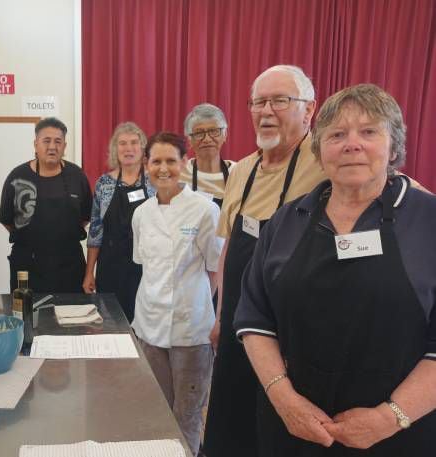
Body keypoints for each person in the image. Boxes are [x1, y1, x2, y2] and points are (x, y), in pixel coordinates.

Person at [234, 83, 436, 456]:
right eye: (337, 134)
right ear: (320, 149)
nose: (352, 144)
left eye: (369, 131)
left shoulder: (428, 221)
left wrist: (390, 418)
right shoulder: (287, 220)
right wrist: (283, 399)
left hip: (401, 434)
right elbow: (255, 318)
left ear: (393, 146)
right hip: (294, 430)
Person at [203, 65, 327, 456]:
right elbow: (228, 252)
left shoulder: (327, 161)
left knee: (278, 428)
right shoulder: (241, 170)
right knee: (231, 423)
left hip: (295, 332)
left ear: (310, 110)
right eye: (258, 102)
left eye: (280, 100)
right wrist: (222, 316)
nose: (266, 110)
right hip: (239, 323)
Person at [131, 132, 223, 457]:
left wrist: (204, 311)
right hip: (149, 327)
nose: (164, 168)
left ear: (185, 163)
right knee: (155, 411)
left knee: (186, 415)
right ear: (146, 165)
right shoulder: (141, 213)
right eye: (156, 161)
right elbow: (145, 266)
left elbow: (217, 269)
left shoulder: (205, 210)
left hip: (191, 330)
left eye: (171, 160)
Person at [0, 117, 93, 292]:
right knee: (28, 317)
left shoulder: (77, 176)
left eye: (58, 141)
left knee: (73, 317)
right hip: (28, 265)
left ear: (64, 146)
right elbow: (7, 220)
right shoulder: (18, 177)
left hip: (69, 266)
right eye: (46, 141)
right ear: (35, 144)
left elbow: (85, 217)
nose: (52, 146)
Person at [82, 122, 154, 322]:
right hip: (111, 266)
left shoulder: (155, 181)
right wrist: (89, 273)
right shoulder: (104, 184)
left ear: (143, 148)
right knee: (111, 322)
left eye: (133, 143)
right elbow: (95, 232)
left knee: (144, 324)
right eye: (122, 143)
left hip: (147, 267)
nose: (128, 148)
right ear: (115, 149)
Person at [180, 103, 235, 207]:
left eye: (214, 131)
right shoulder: (179, 173)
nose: (207, 139)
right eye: (199, 133)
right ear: (189, 140)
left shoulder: (239, 172)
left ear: (225, 135)